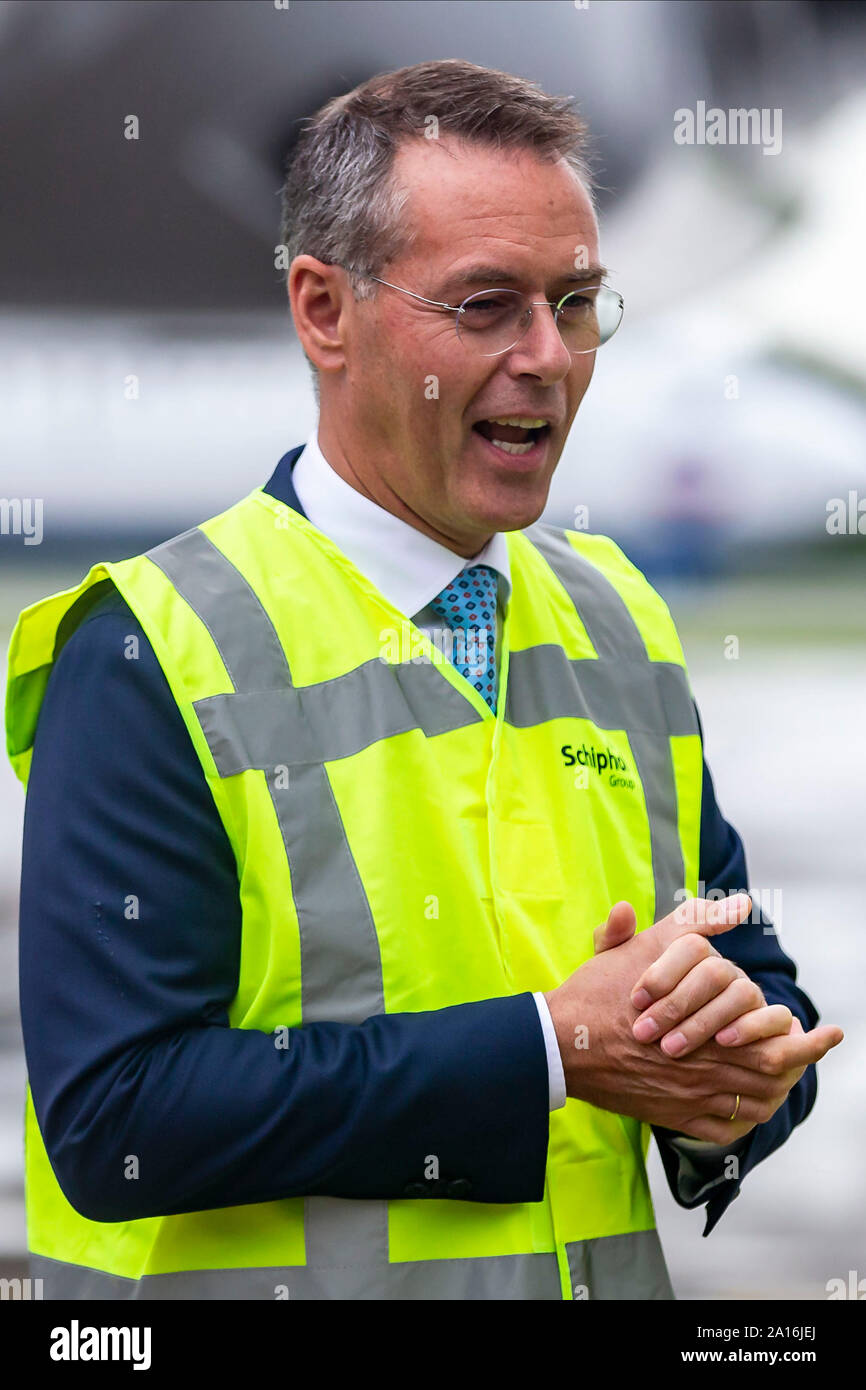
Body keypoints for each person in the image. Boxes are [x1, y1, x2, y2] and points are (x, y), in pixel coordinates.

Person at [6, 59, 842, 1301]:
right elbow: (118, 1120)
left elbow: (742, 975)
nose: (547, 357)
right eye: (486, 304)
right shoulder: (148, 649)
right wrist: (552, 1051)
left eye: (575, 302)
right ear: (321, 310)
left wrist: (731, 1081)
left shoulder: (615, 619)